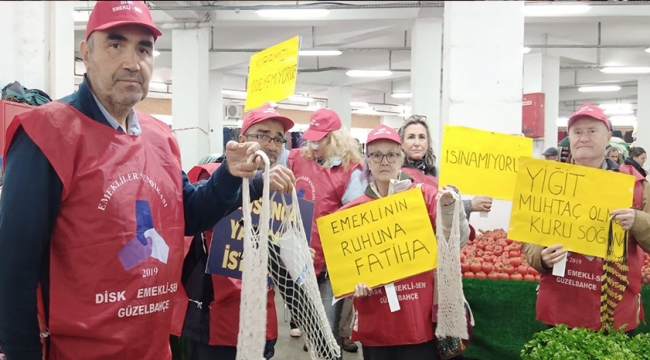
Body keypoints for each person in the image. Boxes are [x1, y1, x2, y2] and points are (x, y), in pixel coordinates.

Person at [0, 3, 278, 360]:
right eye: (116, 45)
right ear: (86, 53)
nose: (133, 62)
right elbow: (13, 266)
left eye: (143, 48)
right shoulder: (47, 135)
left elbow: (187, 215)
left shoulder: (160, 137)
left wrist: (230, 176)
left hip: (153, 348)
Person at [177, 103, 296, 360]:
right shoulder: (211, 175)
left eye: (278, 139)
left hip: (261, 318)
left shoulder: (280, 192)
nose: (272, 146)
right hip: (215, 320)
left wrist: (297, 253)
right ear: (242, 140)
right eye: (263, 135)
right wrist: (255, 182)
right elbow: (202, 206)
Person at [523, 103, 650, 332]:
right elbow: (529, 239)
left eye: (592, 131)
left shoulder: (637, 185)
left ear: (608, 136)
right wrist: (541, 256)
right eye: (577, 132)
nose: (584, 138)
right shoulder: (549, 182)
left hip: (613, 307)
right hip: (561, 304)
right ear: (569, 138)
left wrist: (637, 221)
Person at [347, 125, 471, 360]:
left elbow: (458, 240)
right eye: (376, 155)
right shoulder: (354, 212)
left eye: (391, 154)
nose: (384, 161)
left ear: (400, 158)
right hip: (376, 320)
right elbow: (345, 268)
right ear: (368, 161)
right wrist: (353, 283)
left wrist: (449, 209)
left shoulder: (425, 195)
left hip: (418, 319)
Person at [288, 108, 366, 356]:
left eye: (320, 138)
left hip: (331, 263)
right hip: (301, 256)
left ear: (335, 138)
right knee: (310, 324)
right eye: (311, 137)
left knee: (327, 328)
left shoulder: (351, 171)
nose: (314, 143)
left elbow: (354, 217)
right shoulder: (298, 159)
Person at [398, 115, 492, 219]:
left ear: (428, 142)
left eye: (422, 137)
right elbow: (423, 211)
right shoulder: (400, 176)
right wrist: (469, 205)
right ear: (401, 143)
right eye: (411, 137)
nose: (417, 143)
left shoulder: (434, 173)